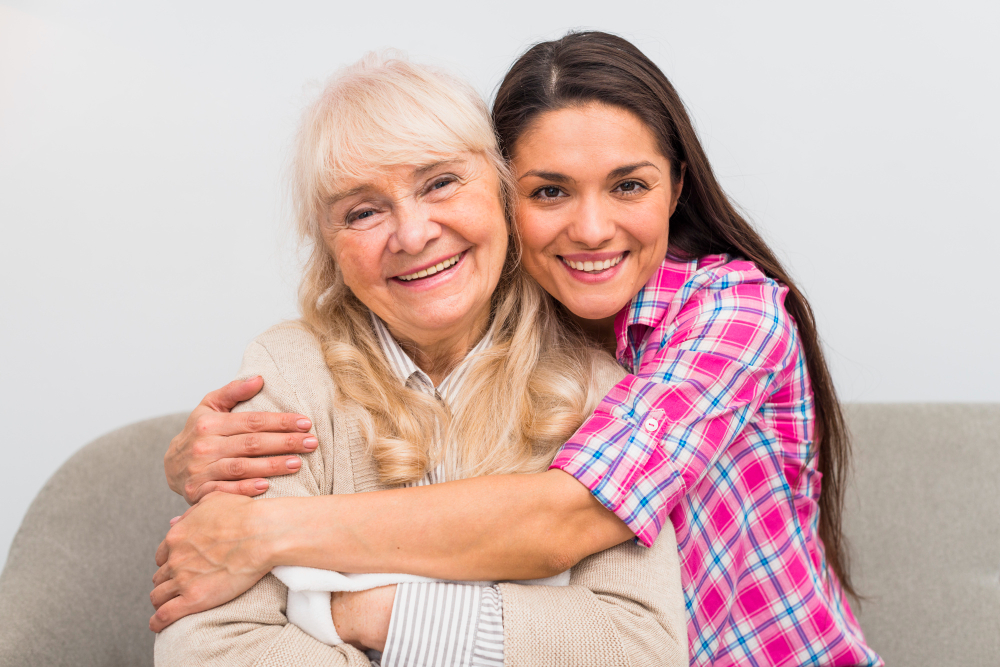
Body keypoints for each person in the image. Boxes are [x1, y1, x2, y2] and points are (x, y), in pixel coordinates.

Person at [154, 32, 882, 666]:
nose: (592, 229)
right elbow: (216, 644)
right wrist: (185, 457)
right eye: (551, 191)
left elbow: (571, 534)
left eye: (628, 184)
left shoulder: (718, 320)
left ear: (677, 185)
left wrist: (291, 559)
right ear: (508, 197)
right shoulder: (293, 372)